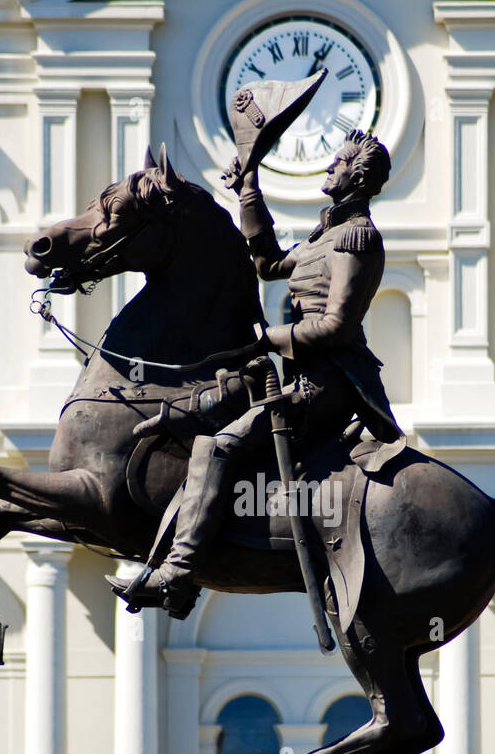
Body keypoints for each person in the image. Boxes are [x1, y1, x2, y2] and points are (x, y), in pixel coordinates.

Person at [109, 128, 402, 617]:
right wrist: (249, 189)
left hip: (330, 383)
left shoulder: (357, 238)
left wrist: (268, 338)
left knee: (219, 445)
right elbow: (266, 264)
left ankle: (178, 577)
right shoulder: (325, 235)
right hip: (301, 373)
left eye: (339, 162)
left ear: (359, 176)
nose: (329, 166)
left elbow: (336, 327)